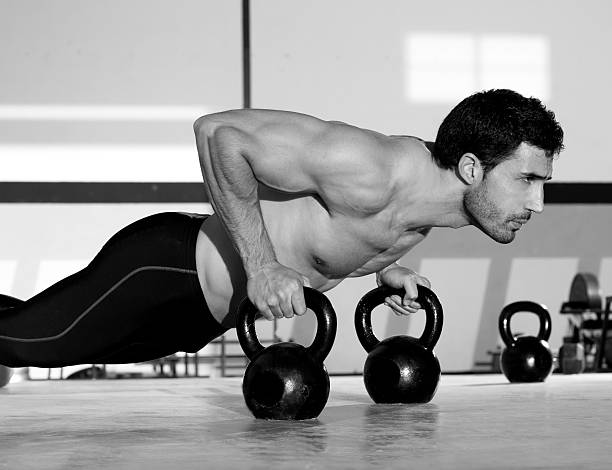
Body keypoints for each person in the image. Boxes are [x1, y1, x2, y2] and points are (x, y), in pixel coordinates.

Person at [0, 89, 564, 380]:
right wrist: (263, 264)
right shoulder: (370, 167)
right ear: (471, 168)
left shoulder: (430, 210)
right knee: (31, 346)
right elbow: (219, 133)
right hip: (166, 268)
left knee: (27, 334)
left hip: (203, 316)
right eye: (528, 181)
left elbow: (333, 238)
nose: (538, 202)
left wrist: (385, 269)